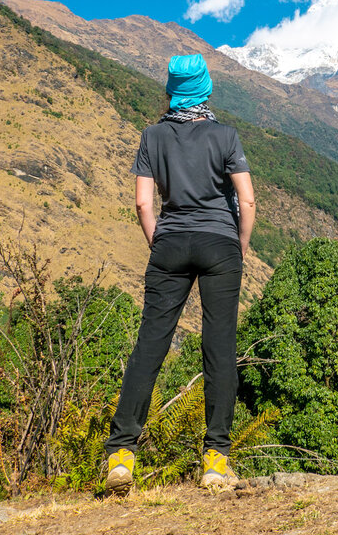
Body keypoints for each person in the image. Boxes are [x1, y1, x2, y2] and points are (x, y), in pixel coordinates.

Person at [104, 54, 255, 493]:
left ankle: (121, 454)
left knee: (150, 345)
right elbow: (247, 201)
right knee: (219, 348)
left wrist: (159, 241)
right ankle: (215, 460)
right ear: (206, 88)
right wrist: (238, 245)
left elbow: (142, 204)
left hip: (169, 243)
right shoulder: (226, 136)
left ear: (172, 90)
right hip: (220, 246)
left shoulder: (152, 137)